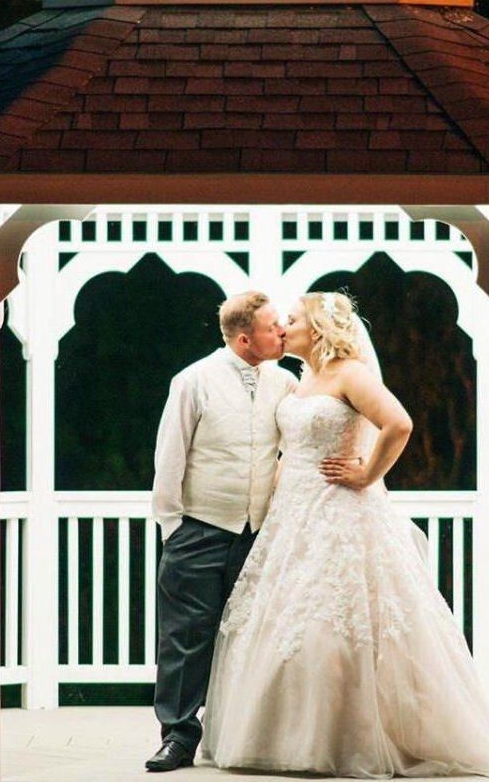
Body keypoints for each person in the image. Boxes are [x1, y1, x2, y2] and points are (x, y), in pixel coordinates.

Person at [202, 291, 489, 778]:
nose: (283, 328)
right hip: (292, 518)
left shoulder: (350, 374)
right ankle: (289, 736)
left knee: (335, 626)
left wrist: (366, 473)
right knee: (289, 627)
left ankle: (344, 739)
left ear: (316, 329)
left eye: (291, 321)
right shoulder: (301, 382)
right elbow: (292, 451)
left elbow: (398, 424)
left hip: (339, 513)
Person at [145, 291, 297, 773]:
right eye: (274, 326)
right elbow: (169, 456)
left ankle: (245, 735)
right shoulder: (194, 381)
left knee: (254, 635)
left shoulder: (287, 383)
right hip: (200, 528)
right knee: (186, 637)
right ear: (245, 337)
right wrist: (173, 528)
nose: (283, 332)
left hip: (259, 533)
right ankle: (178, 735)